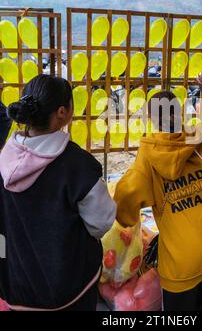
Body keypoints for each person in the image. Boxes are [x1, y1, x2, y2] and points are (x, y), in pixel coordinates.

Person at [114, 76, 202, 312]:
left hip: (181, 264)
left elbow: (124, 201)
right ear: (181, 113)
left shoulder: (148, 159)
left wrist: (129, 219)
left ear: (152, 121)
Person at [0, 75, 116, 311]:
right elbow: (101, 222)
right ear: (63, 112)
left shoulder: (3, 159)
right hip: (69, 288)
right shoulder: (79, 166)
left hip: (16, 285)